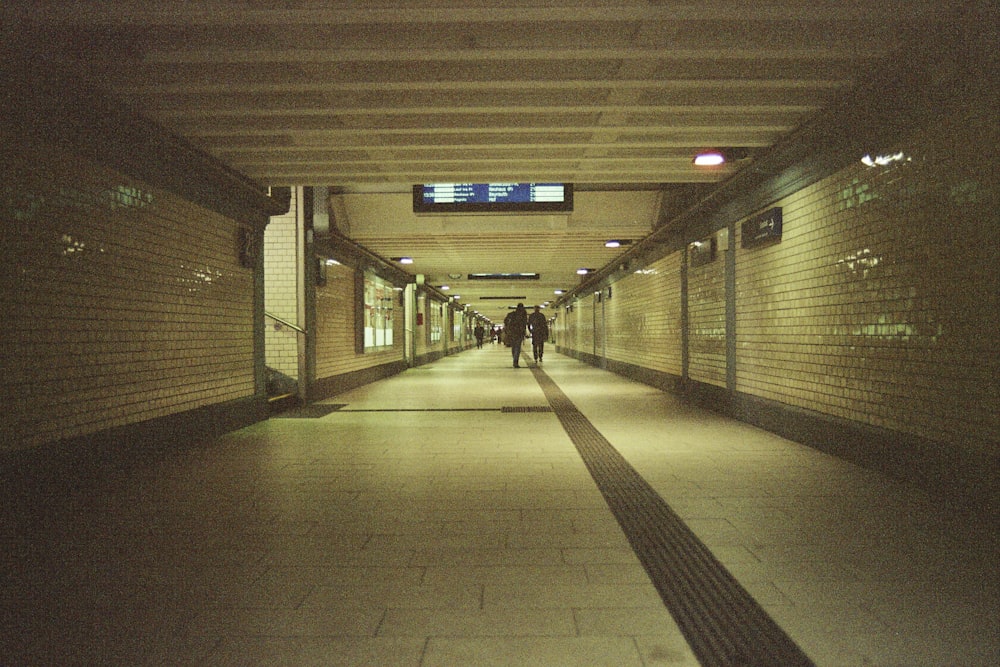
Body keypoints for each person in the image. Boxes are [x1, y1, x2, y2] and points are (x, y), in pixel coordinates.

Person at [503, 303, 528, 368]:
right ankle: (515, 361)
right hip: (519, 333)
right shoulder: (523, 314)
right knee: (517, 347)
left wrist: (508, 328)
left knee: (514, 347)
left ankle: (514, 358)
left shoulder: (512, 314)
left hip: (512, 332)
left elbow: (505, 321)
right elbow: (524, 324)